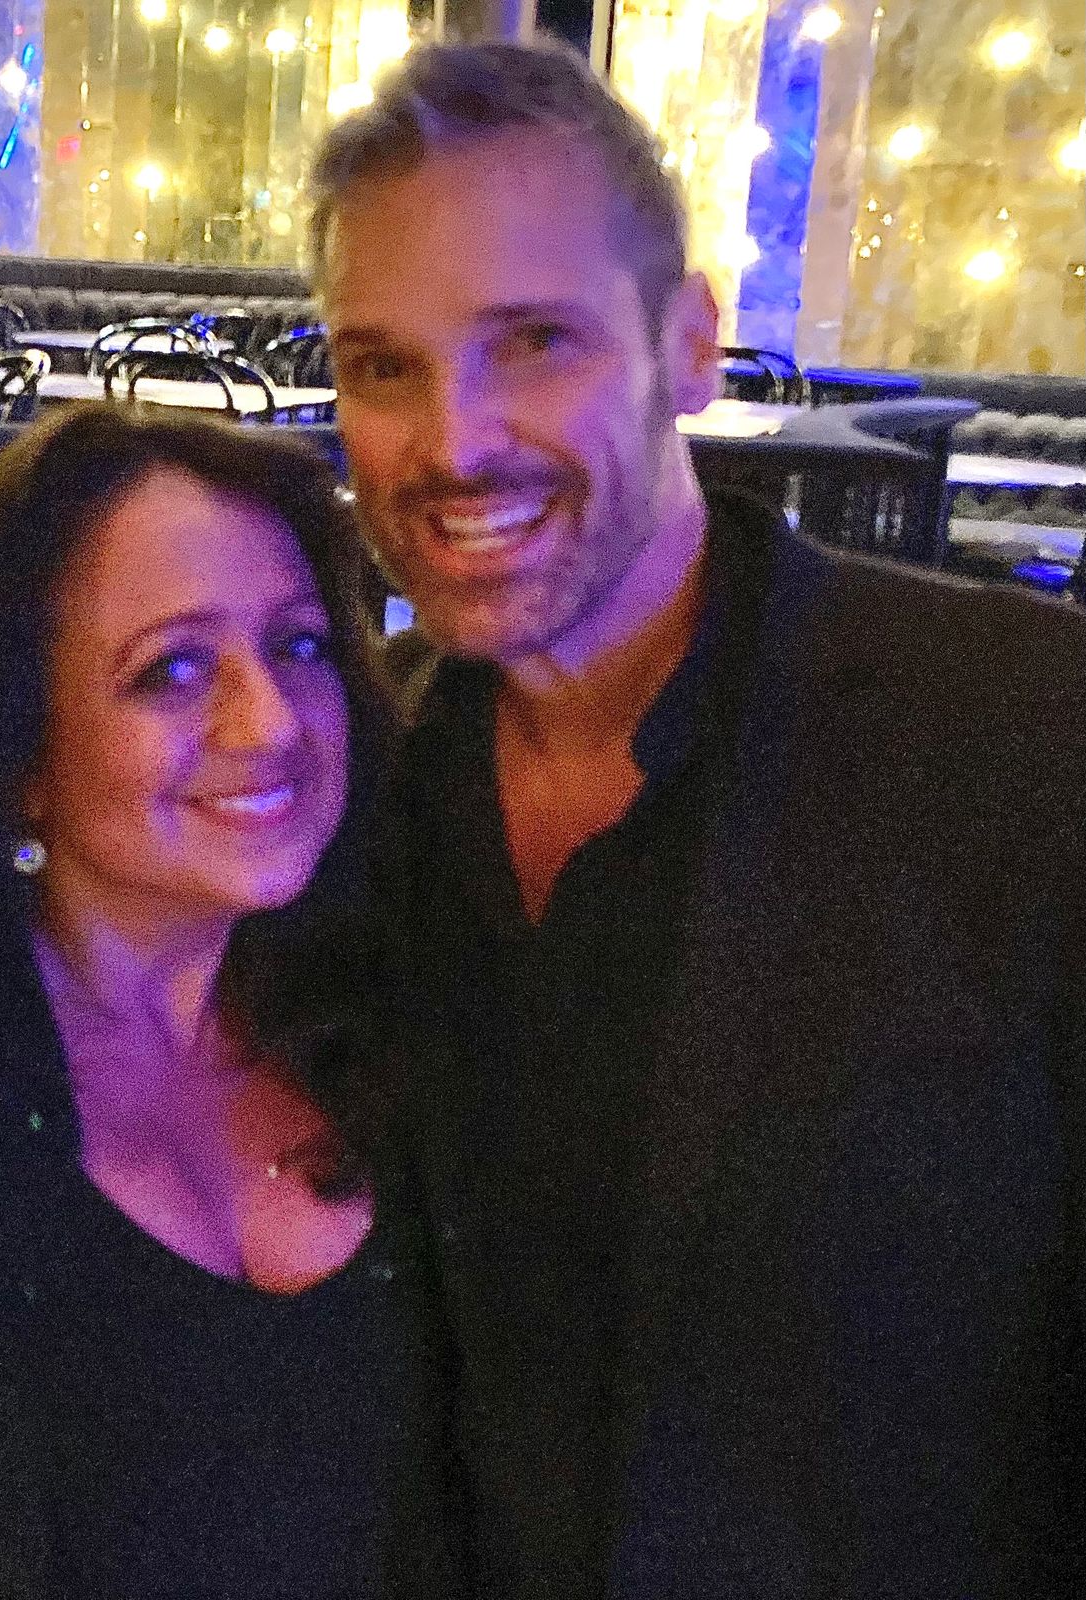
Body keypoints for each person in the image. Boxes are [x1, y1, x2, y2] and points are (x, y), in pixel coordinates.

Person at [309, 36, 1086, 1600]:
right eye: (384, 366)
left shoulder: (1025, 737)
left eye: (535, 342)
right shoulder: (339, 789)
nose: (453, 442)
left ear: (690, 348)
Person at [0, 406, 463, 1600]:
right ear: (22, 752)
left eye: (300, 646)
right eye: (171, 669)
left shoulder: (419, 1023)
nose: (270, 721)